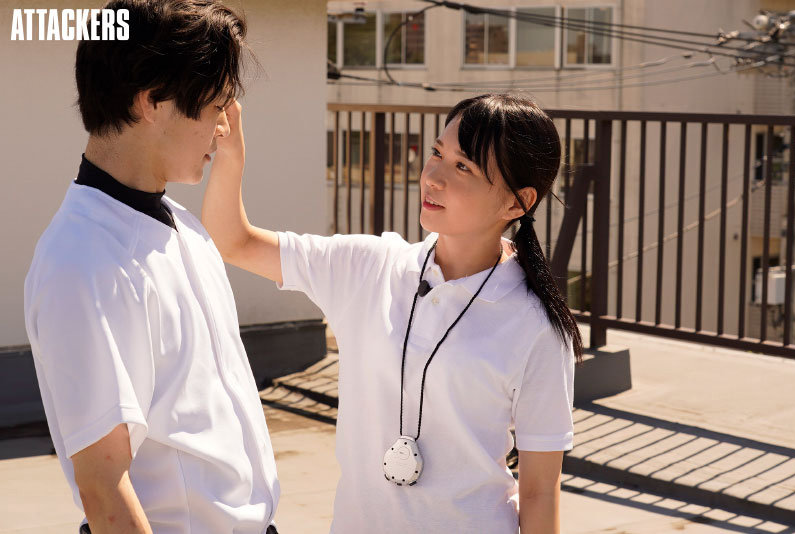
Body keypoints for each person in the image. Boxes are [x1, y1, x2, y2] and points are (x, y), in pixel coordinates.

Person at [203, 93, 581, 533]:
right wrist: (230, 154)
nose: (433, 177)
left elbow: (539, 492)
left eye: (463, 167)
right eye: (437, 153)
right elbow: (234, 241)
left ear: (517, 203)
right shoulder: (370, 266)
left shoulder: (536, 325)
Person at [23, 1, 280, 532]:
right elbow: (103, 487)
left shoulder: (183, 226)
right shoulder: (82, 261)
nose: (224, 128)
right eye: (216, 105)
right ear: (153, 101)